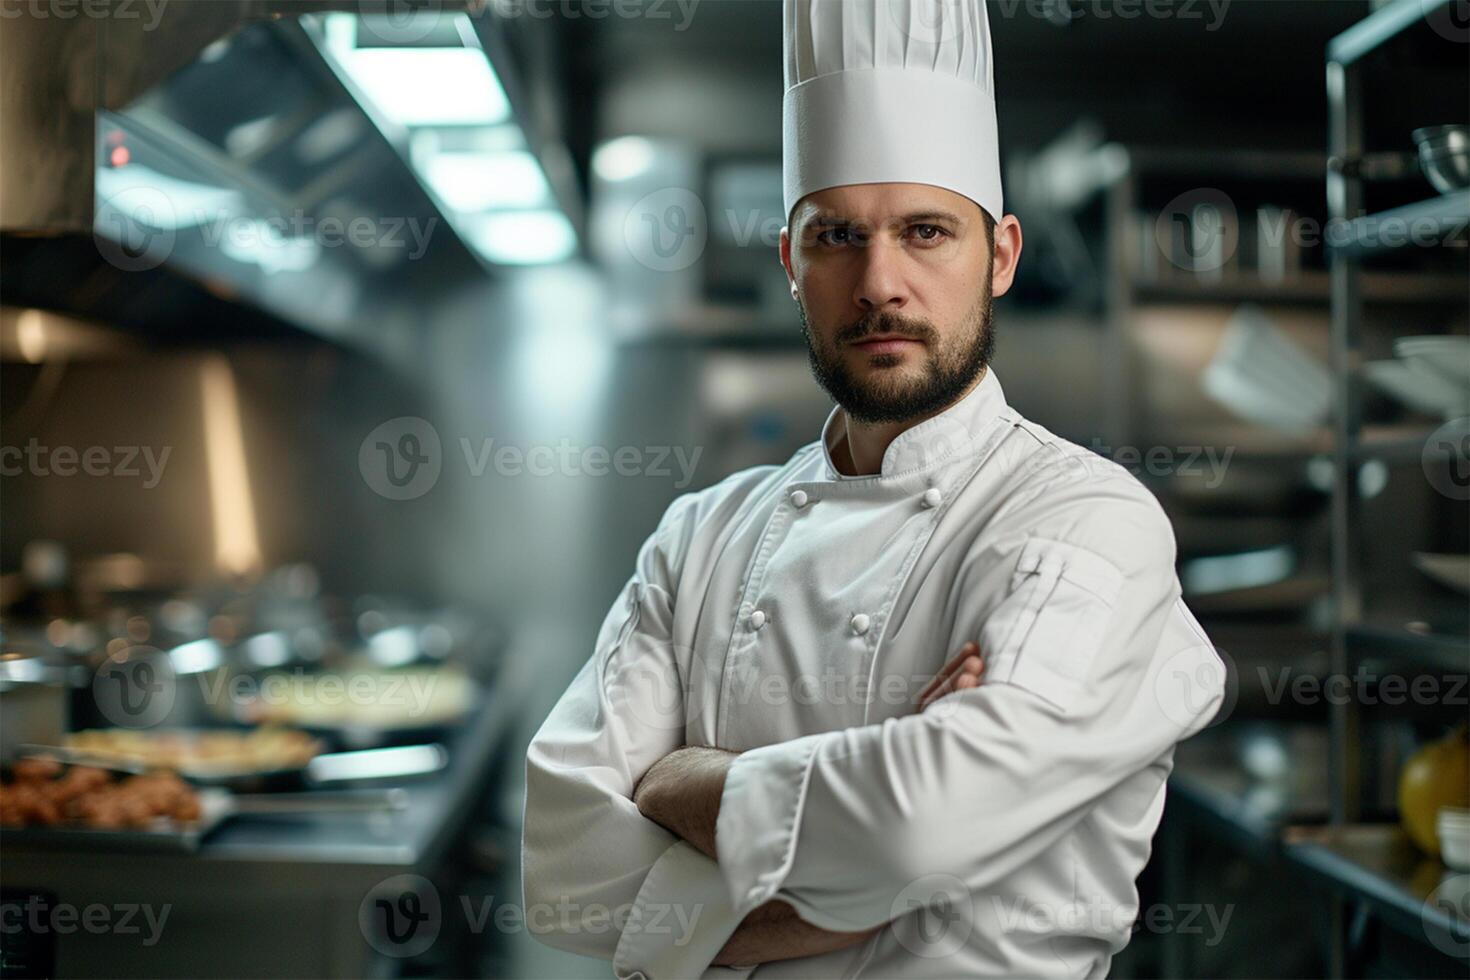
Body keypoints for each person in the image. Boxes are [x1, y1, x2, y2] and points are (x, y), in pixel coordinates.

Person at [523, 1, 1227, 976]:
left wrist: (680, 782)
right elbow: (561, 870)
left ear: (1003, 257)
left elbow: (921, 824)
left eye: (927, 231)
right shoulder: (700, 536)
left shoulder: (1083, 519)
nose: (879, 282)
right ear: (790, 262)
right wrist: (877, 880)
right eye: (837, 236)